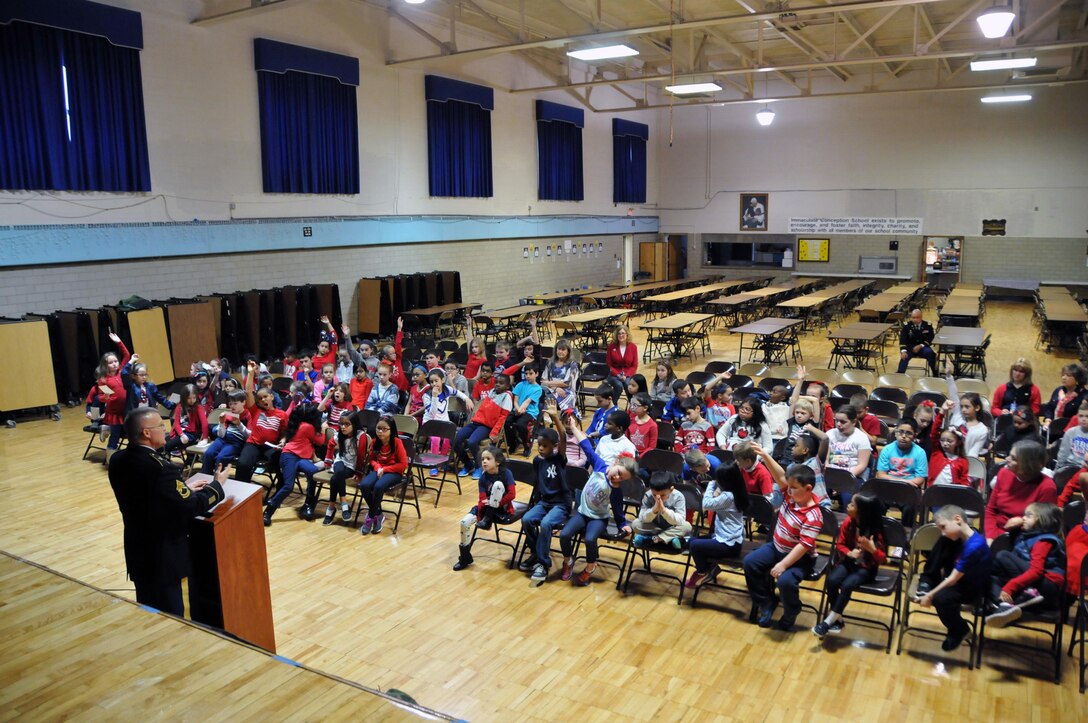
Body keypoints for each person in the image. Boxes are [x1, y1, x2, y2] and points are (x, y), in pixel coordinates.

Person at [108, 407, 226, 616]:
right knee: (172, 615)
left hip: (138, 547)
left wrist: (181, 490)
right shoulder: (161, 468)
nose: (165, 430)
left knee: (147, 610)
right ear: (146, 432)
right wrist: (216, 486)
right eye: (161, 426)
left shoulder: (118, 460)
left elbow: (148, 496)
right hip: (164, 553)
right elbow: (189, 506)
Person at [557, 418, 637, 587]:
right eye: (618, 473)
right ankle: (568, 561)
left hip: (598, 518)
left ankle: (590, 567)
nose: (617, 478)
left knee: (590, 539)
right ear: (615, 463)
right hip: (582, 513)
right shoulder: (600, 465)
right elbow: (586, 445)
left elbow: (617, 508)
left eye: (622, 478)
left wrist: (623, 524)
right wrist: (572, 427)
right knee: (564, 535)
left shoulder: (616, 489)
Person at [742, 463, 821, 632]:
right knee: (750, 563)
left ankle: (792, 611)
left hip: (800, 559)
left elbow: (803, 546)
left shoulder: (814, 515)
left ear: (808, 488)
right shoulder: (791, 495)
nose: (788, 490)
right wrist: (764, 456)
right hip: (776, 547)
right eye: (789, 487)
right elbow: (781, 476)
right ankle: (766, 601)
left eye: (793, 487)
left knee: (785, 582)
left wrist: (783, 565)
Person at [915, 505, 992, 653]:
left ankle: (959, 629)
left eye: (944, 527)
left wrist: (929, 595)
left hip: (972, 588)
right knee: (945, 540)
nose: (943, 532)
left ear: (958, 519)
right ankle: (927, 580)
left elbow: (952, 580)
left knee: (940, 599)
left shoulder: (975, 546)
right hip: (958, 580)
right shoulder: (957, 537)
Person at [813, 493, 887, 639]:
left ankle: (827, 622)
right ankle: (838, 619)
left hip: (867, 568)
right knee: (832, 580)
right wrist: (848, 553)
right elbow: (839, 544)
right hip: (849, 563)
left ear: (862, 511)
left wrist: (873, 550)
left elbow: (883, 560)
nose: (847, 505)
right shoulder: (848, 522)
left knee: (847, 585)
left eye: (852, 505)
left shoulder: (875, 532)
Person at [986, 502, 1066, 627]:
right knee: (991, 579)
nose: (1023, 518)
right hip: (1033, 584)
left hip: (1046, 587)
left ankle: (1026, 593)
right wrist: (1012, 527)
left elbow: (1036, 571)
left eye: (1028, 515)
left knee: (1003, 555)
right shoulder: (1027, 536)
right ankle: (1005, 606)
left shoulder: (1044, 541)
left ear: (1041, 520)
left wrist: (1009, 587)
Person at [518, 405, 572, 582]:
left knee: (547, 523)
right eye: (539, 445)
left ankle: (543, 563)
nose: (541, 449)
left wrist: (556, 418)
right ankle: (536, 552)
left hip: (561, 504)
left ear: (554, 447)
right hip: (544, 502)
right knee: (526, 519)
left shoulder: (559, 458)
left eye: (545, 446)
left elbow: (563, 435)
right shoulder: (537, 461)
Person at [452, 446, 516, 571]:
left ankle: (488, 519)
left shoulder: (506, 473)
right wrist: (482, 510)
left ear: (497, 462)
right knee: (464, 523)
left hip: (502, 508)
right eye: (482, 459)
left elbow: (512, 495)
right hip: (486, 508)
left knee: (497, 485)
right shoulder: (483, 477)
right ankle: (465, 557)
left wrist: (497, 503)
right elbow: (481, 498)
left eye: (488, 458)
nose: (484, 461)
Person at [686, 463, 749, 588]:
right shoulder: (737, 491)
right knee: (691, 541)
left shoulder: (728, 496)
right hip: (725, 538)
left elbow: (707, 504)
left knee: (694, 545)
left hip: (729, 544)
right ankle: (711, 568)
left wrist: (711, 485)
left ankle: (702, 572)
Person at [984, 440, 1057, 543]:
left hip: (1025, 539)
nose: (1007, 459)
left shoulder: (1046, 487)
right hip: (995, 533)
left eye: (1013, 458)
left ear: (1027, 465)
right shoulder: (1004, 473)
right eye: (1009, 455)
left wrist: (1022, 521)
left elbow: (1044, 525)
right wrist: (990, 538)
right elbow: (991, 511)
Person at [266, 402, 326, 525]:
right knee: (289, 486)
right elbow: (320, 441)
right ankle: (268, 510)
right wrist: (323, 429)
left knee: (312, 472)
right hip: (290, 456)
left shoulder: (298, 423)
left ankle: (308, 504)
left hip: (301, 458)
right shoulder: (307, 427)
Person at [234, 361, 288, 483]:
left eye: (265, 397)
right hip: (253, 444)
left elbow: (284, 432)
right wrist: (250, 373)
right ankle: (243, 492)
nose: (263, 400)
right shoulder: (255, 410)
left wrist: (282, 441)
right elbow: (248, 392)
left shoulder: (282, 415)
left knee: (283, 463)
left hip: (271, 447)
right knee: (243, 464)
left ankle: (278, 495)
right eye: (260, 399)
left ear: (272, 397)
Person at [454, 373, 513, 479]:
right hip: (475, 423)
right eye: (496, 382)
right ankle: (468, 465)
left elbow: (502, 418)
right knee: (455, 440)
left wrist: (494, 432)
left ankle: (479, 467)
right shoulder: (492, 392)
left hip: (486, 426)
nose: (497, 385)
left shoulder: (507, 397)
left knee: (472, 442)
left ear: (507, 386)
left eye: (501, 383)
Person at [357, 415, 409, 535]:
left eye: (384, 429)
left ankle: (370, 518)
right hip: (379, 470)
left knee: (378, 487)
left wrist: (385, 469)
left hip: (395, 472)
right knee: (364, 485)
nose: (380, 432)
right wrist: (378, 467)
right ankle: (378, 514)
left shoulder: (397, 442)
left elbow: (403, 464)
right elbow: (372, 459)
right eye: (378, 428)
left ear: (391, 430)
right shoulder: (375, 442)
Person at [87, 331, 132, 461]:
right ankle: (111, 460)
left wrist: (119, 342)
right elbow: (101, 397)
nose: (114, 364)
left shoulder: (122, 371)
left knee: (129, 433)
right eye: (111, 362)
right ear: (105, 365)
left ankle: (106, 430)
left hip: (126, 411)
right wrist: (105, 398)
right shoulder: (103, 380)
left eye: (116, 361)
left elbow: (127, 355)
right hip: (114, 413)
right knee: (115, 437)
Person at [874, 418, 928, 525]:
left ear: (915, 435)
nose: (904, 436)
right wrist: (906, 481)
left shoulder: (920, 452)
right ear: (895, 433)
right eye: (901, 432)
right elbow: (881, 475)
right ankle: (880, 531)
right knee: (876, 502)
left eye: (909, 433)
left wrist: (908, 484)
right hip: (889, 487)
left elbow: (920, 479)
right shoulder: (887, 449)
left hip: (909, 490)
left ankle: (905, 533)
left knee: (910, 507)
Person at [321, 411, 370, 526]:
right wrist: (328, 459)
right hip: (341, 461)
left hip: (353, 465)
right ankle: (344, 504)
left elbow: (362, 456)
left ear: (354, 424)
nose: (343, 427)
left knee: (335, 478)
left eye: (347, 424)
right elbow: (331, 444)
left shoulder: (360, 436)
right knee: (338, 473)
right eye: (341, 424)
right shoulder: (339, 434)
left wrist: (359, 473)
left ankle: (331, 507)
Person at [817, 405, 872, 503]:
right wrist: (832, 477)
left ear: (854, 422)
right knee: (818, 492)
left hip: (853, 476)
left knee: (849, 498)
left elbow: (862, 465)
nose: (838, 424)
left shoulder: (862, 438)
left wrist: (842, 481)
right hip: (831, 474)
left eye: (843, 422)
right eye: (836, 420)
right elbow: (826, 459)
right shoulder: (830, 434)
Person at [632, 471, 692, 549]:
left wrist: (664, 511)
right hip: (654, 527)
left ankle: (653, 539)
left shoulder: (678, 496)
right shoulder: (648, 495)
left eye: (662, 495)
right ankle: (669, 538)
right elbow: (642, 518)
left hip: (672, 527)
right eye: (654, 495)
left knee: (687, 526)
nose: (658, 498)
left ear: (671, 489)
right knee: (635, 524)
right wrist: (654, 510)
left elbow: (680, 520)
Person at [200, 390, 250, 474]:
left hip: (236, 442)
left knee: (221, 458)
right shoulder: (228, 413)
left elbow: (249, 436)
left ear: (243, 402)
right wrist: (222, 423)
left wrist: (239, 424)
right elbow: (221, 435)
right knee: (208, 454)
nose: (232, 406)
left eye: (235, 403)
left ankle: (217, 482)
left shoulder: (248, 414)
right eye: (230, 404)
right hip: (223, 439)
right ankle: (205, 479)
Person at [505, 363, 543, 454]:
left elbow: (527, 402)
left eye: (530, 374)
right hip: (518, 409)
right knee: (506, 422)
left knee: (520, 424)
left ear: (536, 374)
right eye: (526, 374)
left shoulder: (538, 389)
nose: (528, 376)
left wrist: (520, 410)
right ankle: (513, 443)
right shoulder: (520, 384)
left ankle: (527, 445)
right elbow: (515, 400)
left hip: (530, 412)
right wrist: (517, 409)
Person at [1041, 363, 1088, 429]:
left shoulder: (1084, 396)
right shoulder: (1058, 390)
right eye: (1063, 375)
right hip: (1053, 426)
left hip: (1072, 429)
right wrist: (1048, 420)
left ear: (1077, 379)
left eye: (1068, 375)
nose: (1064, 378)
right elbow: (1049, 408)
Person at [897, 309, 936, 375]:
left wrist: (921, 345)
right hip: (910, 348)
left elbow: (930, 339)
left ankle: (935, 372)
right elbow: (903, 340)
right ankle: (900, 375)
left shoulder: (928, 325)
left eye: (917, 317)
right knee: (904, 357)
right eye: (913, 317)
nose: (915, 319)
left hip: (923, 347)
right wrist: (903, 351)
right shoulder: (906, 326)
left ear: (921, 317)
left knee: (931, 353)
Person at [1055, 400, 1088, 472]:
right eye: (1081, 416)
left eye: (1087, 416)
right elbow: (1063, 454)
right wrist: (1057, 470)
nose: (1083, 419)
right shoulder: (1071, 432)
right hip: (1070, 466)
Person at [626, 392, 659, 457]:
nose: (632, 407)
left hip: (644, 457)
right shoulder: (630, 420)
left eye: (635, 405)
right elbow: (626, 439)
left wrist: (639, 457)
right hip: (629, 453)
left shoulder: (652, 426)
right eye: (632, 404)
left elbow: (652, 447)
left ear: (645, 408)